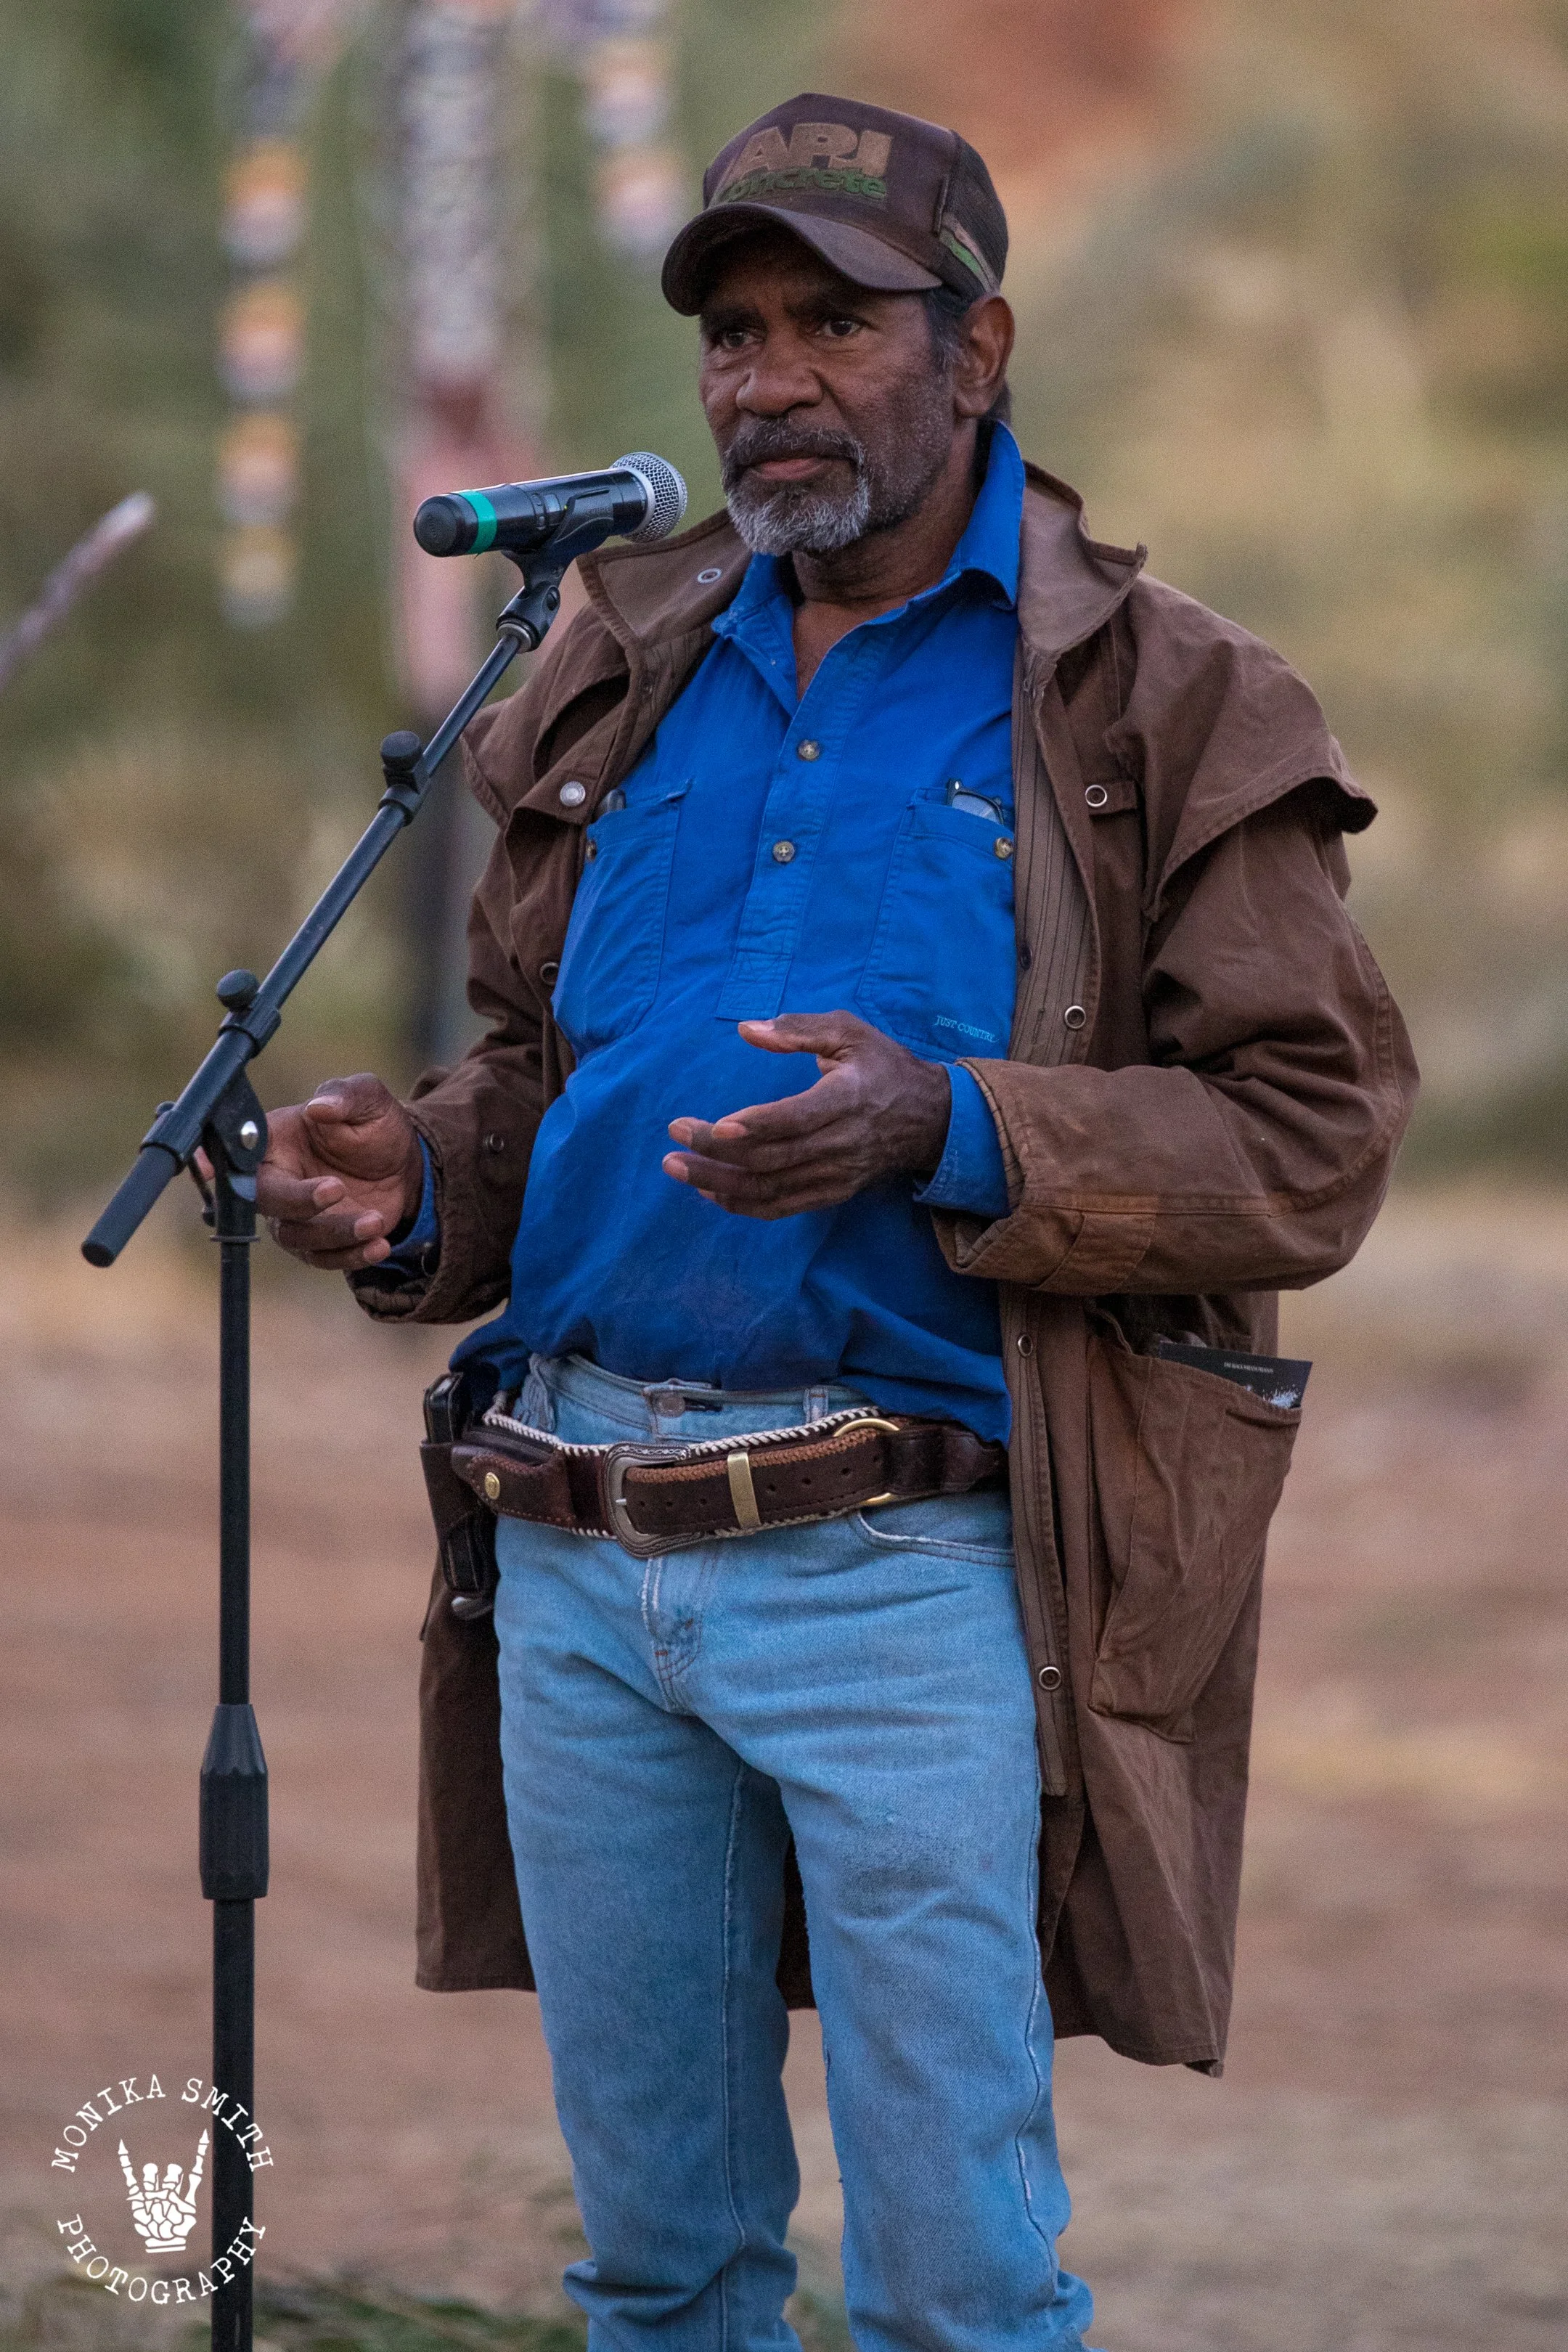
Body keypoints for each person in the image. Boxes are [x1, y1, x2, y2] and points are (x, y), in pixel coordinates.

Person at [256, 93, 1416, 2352]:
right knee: (662, 2269)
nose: (768, 378)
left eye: (834, 323)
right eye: (734, 333)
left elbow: (1314, 1130)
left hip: (907, 1575)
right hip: (579, 1555)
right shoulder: (626, 654)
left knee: (959, 2287)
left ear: (978, 348)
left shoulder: (1162, 698)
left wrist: (951, 1125)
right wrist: (419, 1177)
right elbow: (540, 1072)